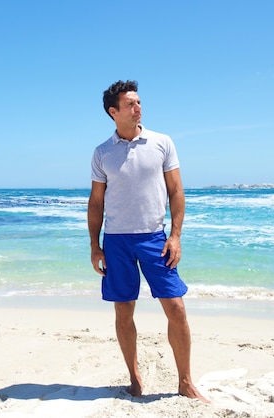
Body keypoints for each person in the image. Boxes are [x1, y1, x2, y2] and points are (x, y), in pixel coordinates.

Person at [87, 80, 208, 402]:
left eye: (138, 102)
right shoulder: (102, 152)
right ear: (113, 112)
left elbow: (176, 192)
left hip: (155, 238)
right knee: (123, 311)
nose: (137, 108)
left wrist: (176, 236)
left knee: (176, 307)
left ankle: (185, 381)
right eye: (130, 104)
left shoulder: (162, 142)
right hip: (116, 240)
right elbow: (96, 202)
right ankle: (135, 378)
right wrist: (94, 245)